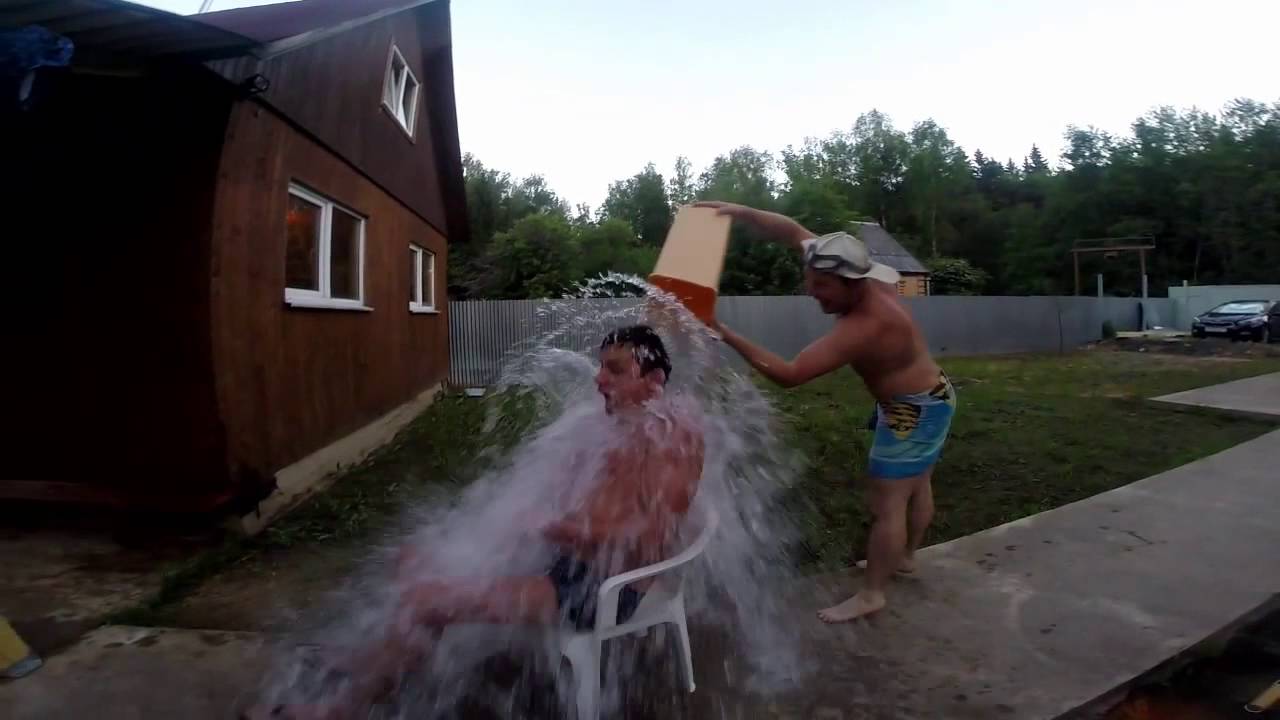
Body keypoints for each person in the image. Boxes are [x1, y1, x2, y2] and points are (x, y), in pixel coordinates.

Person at [244, 326, 705, 720]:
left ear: (654, 380)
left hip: (605, 586)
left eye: (615, 370)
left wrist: (552, 527)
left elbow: (650, 538)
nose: (598, 380)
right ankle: (371, 662)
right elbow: (591, 497)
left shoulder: (672, 436)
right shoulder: (621, 424)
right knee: (414, 562)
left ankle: (339, 710)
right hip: (566, 559)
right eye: (599, 366)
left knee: (427, 601)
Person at [694, 201, 956, 623]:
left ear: (851, 283)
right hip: (930, 395)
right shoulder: (849, 266)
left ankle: (873, 593)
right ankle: (905, 557)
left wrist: (723, 332)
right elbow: (791, 229)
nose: (812, 292)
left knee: (887, 502)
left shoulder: (867, 325)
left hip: (915, 410)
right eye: (810, 281)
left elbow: (791, 374)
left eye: (822, 287)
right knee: (917, 480)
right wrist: (738, 211)